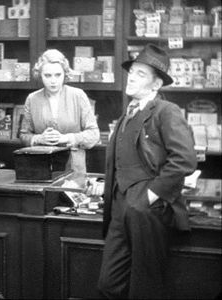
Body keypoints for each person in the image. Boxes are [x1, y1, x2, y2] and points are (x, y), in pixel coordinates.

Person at [86, 44, 197, 299]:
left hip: (147, 210)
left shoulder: (165, 111)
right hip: (118, 207)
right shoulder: (128, 112)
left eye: (141, 74)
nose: (132, 77)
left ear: (156, 85)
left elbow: (184, 160)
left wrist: (150, 197)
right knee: (108, 285)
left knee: (144, 287)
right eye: (132, 71)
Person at [20, 49, 100, 173]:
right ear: (40, 75)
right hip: (42, 166)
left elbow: (94, 135)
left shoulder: (78, 96)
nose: (53, 80)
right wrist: (39, 139)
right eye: (47, 75)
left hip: (73, 167)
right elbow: (24, 135)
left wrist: (66, 138)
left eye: (58, 75)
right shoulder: (32, 99)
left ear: (65, 74)